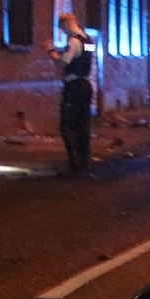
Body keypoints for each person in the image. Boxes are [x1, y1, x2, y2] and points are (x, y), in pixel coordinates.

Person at [49, 12, 94, 176]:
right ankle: (84, 163)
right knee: (83, 125)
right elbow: (84, 59)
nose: (63, 32)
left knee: (68, 126)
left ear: (67, 24)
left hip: (74, 86)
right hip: (86, 85)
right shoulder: (88, 41)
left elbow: (63, 63)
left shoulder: (73, 41)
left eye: (62, 28)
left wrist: (51, 52)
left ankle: (75, 165)